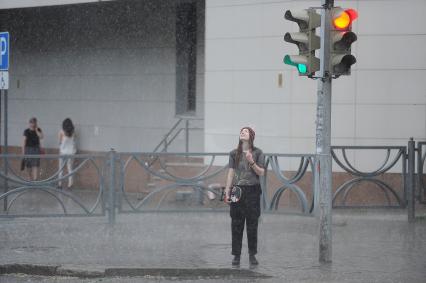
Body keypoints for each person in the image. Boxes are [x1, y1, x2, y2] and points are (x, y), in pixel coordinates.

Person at [224, 127, 265, 266]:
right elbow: (231, 173)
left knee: (252, 224)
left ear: (251, 136)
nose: (242, 132)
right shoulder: (234, 153)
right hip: (236, 190)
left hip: (252, 191)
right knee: (236, 223)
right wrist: (227, 191)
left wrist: (251, 161)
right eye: (241, 131)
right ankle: (236, 255)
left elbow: (261, 173)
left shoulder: (258, 153)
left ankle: (252, 255)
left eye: (246, 131)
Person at [58, 118, 77, 189]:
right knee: (70, 168)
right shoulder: (73, 132)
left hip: (62, 152)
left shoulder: (61, 132)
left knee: (61, 168)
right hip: (71, 153)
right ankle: (70, 184)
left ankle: (60, 184)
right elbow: (74, 142)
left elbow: (59, 142)